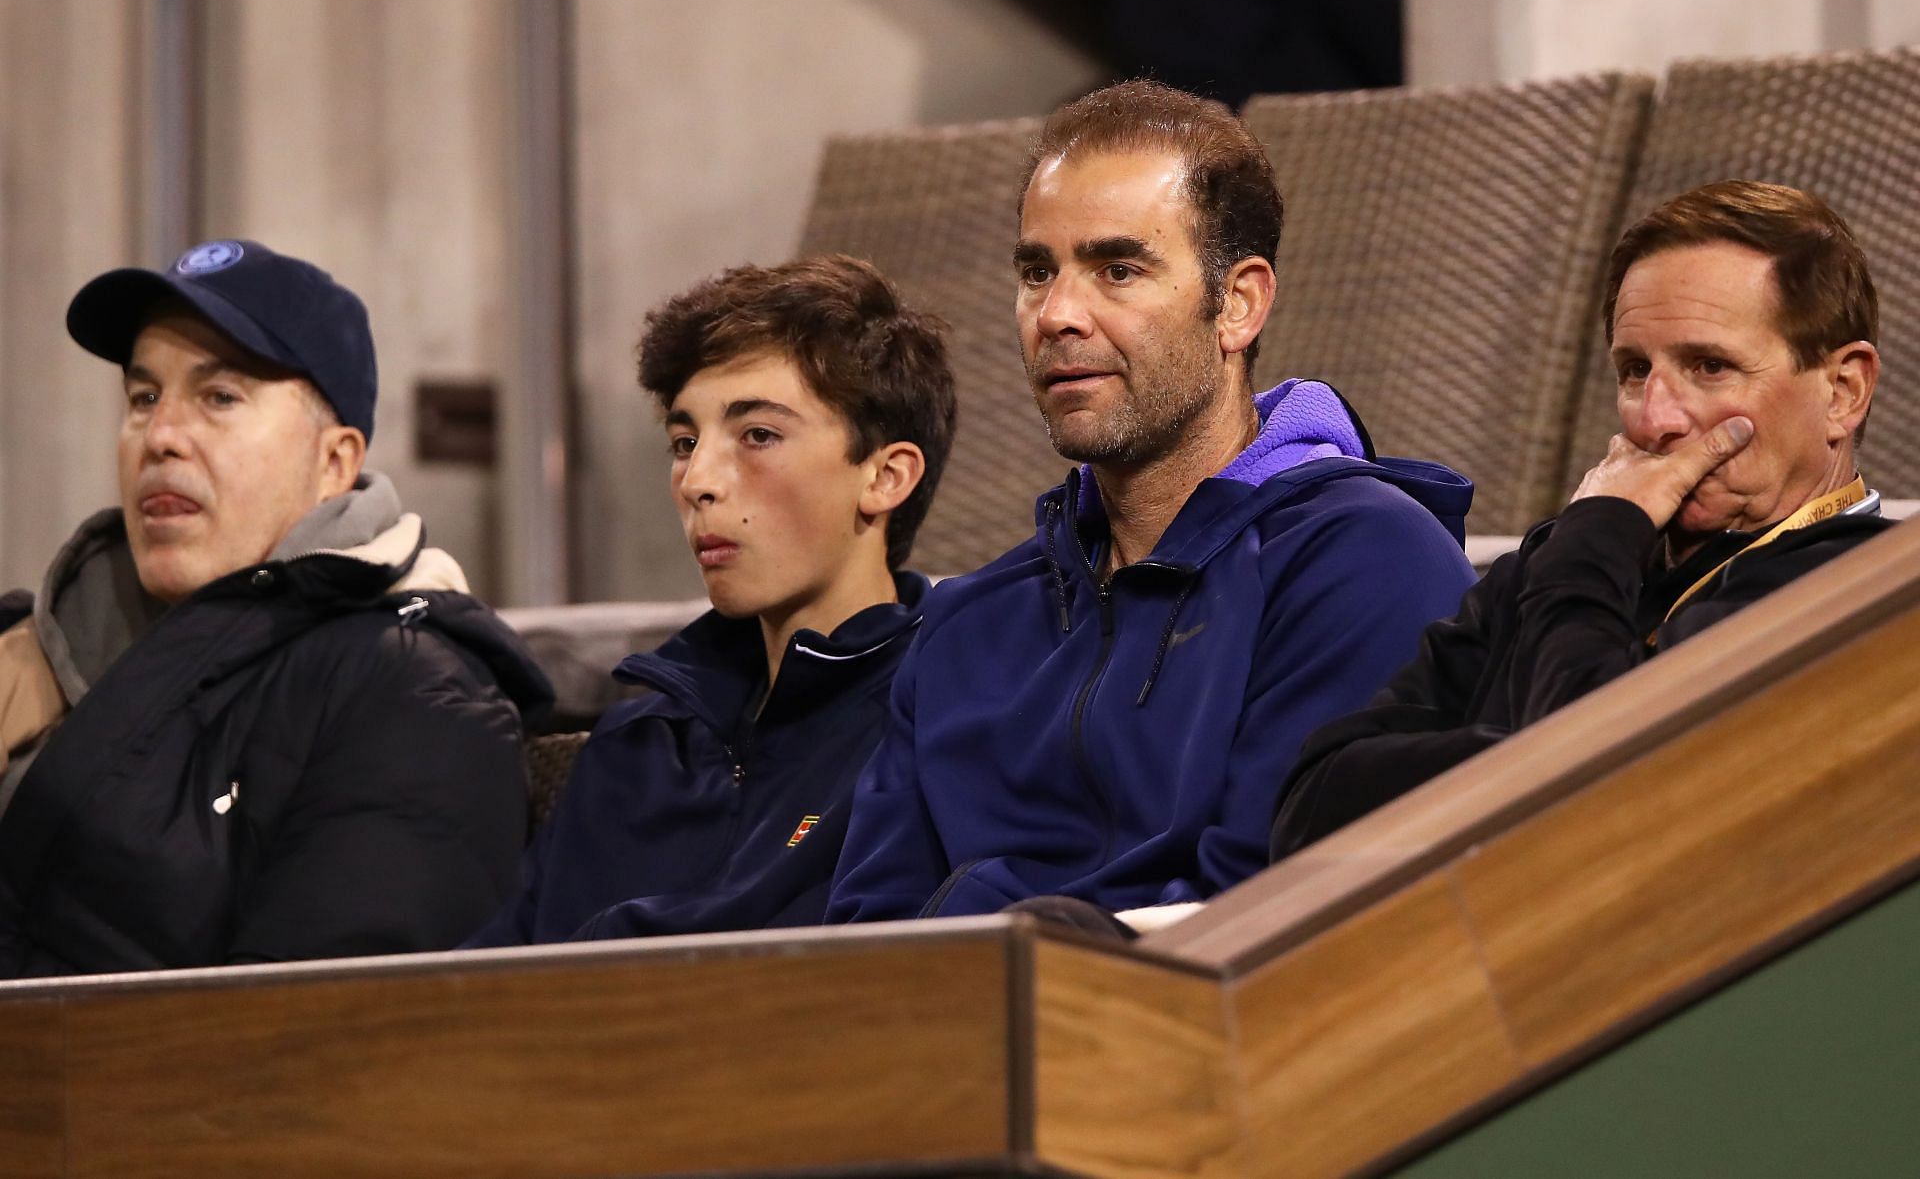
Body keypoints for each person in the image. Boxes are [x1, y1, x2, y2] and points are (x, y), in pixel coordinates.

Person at [827, 79, 1478, 922]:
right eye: (1036, 272)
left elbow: (1280, 924)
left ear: (1237, 304)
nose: (1057, 314)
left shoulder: (1368, 564)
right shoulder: (966, 626)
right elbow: (864, 947)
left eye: (1118, 268)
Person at [1271, 180, 1891, 857]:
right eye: (1634, 370)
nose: (1656, 419)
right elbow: (1311, 808)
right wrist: (1520, 764)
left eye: (1710, 366)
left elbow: (1594, 810)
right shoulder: (1571, 554)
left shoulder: (1867, 597)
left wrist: (1593, 544)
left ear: (1844, 391)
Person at [0, 239, 551, 977]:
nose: (160, 436)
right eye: (143, 397)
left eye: (220, 397)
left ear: (335, 461)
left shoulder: (413, 696)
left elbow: (309, 1046)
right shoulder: (31, 649)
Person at [464, 255, 956, 946]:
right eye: (683, 442)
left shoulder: (948, 715)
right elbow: (479, 986)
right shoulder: (634, 748)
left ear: (885, 476)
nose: (698, 480)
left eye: (758, 435)